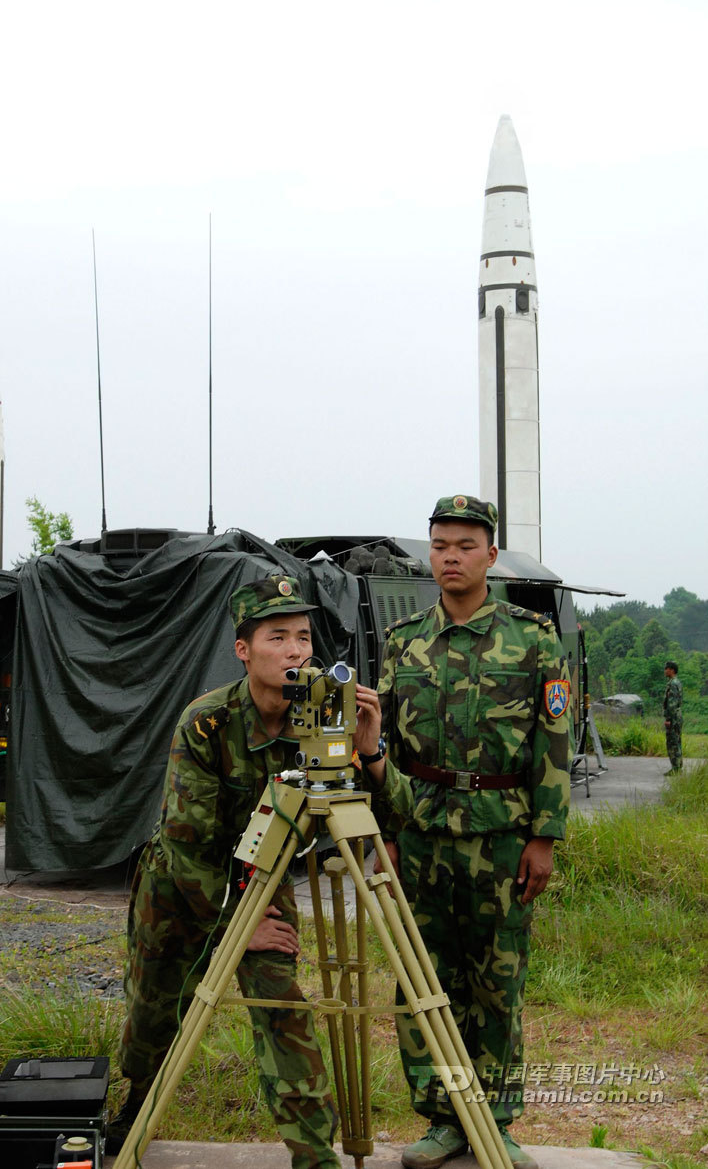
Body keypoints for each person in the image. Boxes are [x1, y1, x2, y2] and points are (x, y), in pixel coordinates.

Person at [108, 573, 376, 1168]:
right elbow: (184, 844)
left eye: (304, 637)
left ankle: (315, 1157)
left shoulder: (324, 720)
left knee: (283, 1010)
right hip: (180, 887)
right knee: (155, 1013)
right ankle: (131, 1118)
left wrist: (369, 751)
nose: (295, 651)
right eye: (277, 637)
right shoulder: (206, 722)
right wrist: (237, 926)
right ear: (243, 651)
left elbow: (370, 819)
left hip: (261, 882)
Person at [355, 495, 571, 1169]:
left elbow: (553, 744)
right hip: (418, 835)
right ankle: (444, 1118)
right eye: (440, 545)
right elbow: (378, 742)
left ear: (490, 555)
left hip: (502, 837)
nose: (450, 556)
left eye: (464, 545)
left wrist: (545, 838)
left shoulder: (533, 638)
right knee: (423, 981)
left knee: (496, 984)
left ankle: (495, 1119)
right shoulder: (402, 641)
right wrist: (383, 831)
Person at [662, 660, 683, 774]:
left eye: (667, 669)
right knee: (677, 741)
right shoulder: (677, 682)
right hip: (678, 715)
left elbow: (672, 703)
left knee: (672, 743)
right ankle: (678, 767)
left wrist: (668, 719)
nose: (665, 671)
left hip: (673, 717)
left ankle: (675, 768)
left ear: (672, 670)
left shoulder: (673, 684)